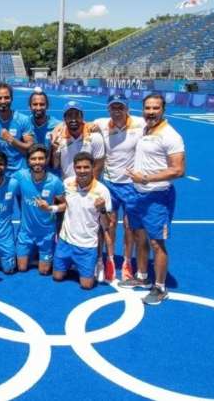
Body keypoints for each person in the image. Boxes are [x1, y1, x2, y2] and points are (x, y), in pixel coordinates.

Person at [120, 93, 186, 305]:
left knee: (157, 243)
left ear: (163, 109)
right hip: (138, 194)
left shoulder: (171, 135)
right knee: (139, 237)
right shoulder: (146, 128)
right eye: (147, 108)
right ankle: (142, 276)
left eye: (155, 108)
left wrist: (146, 178)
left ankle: (160, 287)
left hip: (157, 196)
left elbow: (178, 170)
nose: (150, 112)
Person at [92, 94, 145, 282]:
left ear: (127, 108)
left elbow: (161, 125)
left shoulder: (140, 124)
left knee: (130, 226)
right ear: (108, 109)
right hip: (110, 184)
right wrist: (58, 128)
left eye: (120, 107)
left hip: (132, 185)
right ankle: (111, 259)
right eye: (113, 107)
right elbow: (81, 125)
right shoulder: (102, 123)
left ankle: (128, 262)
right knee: (110, 224)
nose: (117, 111)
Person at [52, 152, 112, 289]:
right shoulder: (67, 184)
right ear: (74, 168)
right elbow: (63, 205)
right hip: (65, 242)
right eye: (79, 167)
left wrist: (102, 209)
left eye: (86, 167)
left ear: (93, 167)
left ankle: (94, 262)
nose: (82, 171)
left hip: (87, 246)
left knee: (87, 285)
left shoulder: (103, 191)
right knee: (57, 277)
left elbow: (107, 224)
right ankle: (72, 262)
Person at [11, 145, 64, 274]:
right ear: (28, 161)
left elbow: (65, 205)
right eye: (33, 159)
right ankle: (33, 251)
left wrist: (50, 208)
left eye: (41, 158)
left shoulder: (55, 182)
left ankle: (44, 251)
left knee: (44, 271)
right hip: (26, 233)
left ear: (46, 160)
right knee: (21, 268)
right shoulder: (20, 176)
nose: (37, 162)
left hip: (46, 234)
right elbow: (1, 179)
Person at [0, 82, 34, 175]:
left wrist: (11, 139)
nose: (3, 101)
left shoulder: (23, 119)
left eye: (6, 97)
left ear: (11, 98)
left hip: (19, 170)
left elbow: (30, 147)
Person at [51, 101, 105, 180]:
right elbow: (56, 165)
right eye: (69, 116)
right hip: (67, 185)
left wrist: (90, 186)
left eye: (76, 115)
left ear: (82, 117)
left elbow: (98, 165)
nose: (73, 119)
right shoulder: (58, 138)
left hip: (88, 186)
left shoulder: (95, 137)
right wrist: (54, 152)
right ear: (64, 119)